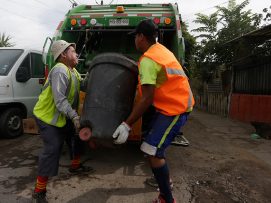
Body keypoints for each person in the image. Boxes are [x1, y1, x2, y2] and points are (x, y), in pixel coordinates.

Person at [112, 19, 194, 203]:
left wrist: (127, 124)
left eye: (135, 36)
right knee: (153, 148)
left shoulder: (148, 60)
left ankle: (166, 198)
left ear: (141, 37)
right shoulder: (162, 50)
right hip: (172, 105)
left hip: (175, 109)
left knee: (152, 152)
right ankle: (166, 181)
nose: (135, 40)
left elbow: (147, 98)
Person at [32, 40, 92, 202]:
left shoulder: (73, 71)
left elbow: (83, 85)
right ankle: (39, 191)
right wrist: (74, 117)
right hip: (47, 118)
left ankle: (75, 165)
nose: (77, 54)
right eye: (73, 51)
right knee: (52, 149)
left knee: (77, 137)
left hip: (62, 116)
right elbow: (60, 101)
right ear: (63, 55)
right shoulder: (60, 70)